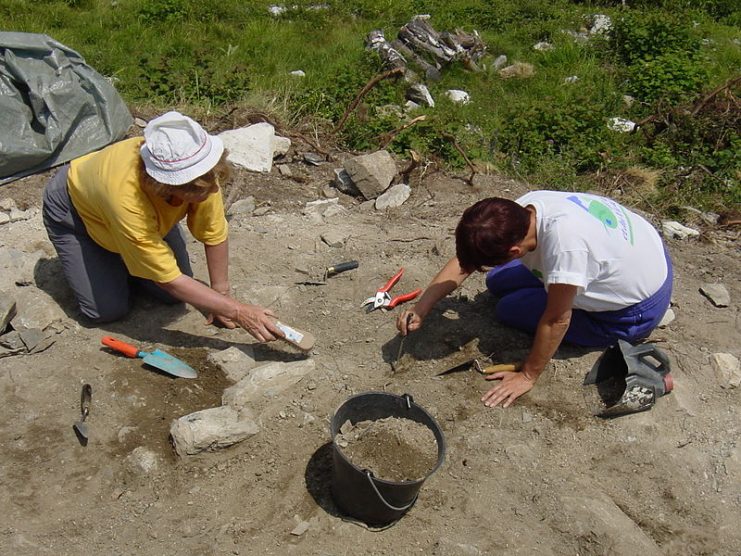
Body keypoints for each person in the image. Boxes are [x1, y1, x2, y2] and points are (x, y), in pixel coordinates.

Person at [397, 191, 673, 409]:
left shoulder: (567, 249)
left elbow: (557, 319)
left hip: (635, 306)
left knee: (509, 308)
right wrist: (423, 306)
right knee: (497, 282)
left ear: (515, 251)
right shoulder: (521, 211)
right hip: (640, 249)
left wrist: (528, 375)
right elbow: (466, 260)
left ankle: (604, 324)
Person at [42, 111, 284, 343]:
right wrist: (239, 312)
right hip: (76, 215)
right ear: (163, 186)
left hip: (139, 222)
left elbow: (214, 232)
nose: (210, 190)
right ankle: (107, 258)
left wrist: (222, 297)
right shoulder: (126, 197)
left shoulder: (202, 173)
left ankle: (129, 260)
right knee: (106, 311)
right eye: (195, 190)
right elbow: (169, 279)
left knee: (172, 298)